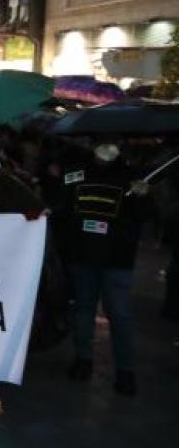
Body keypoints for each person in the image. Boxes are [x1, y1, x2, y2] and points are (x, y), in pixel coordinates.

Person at [64, 139, 151, 396]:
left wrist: (144, 197)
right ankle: (83, 360)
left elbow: (143, 217)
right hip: (83, 256)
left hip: (116, 260)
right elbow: (64, 206)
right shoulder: (77, 173)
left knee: (120, 315)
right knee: (83, 310)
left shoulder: (132, 178)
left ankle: (125, 371)